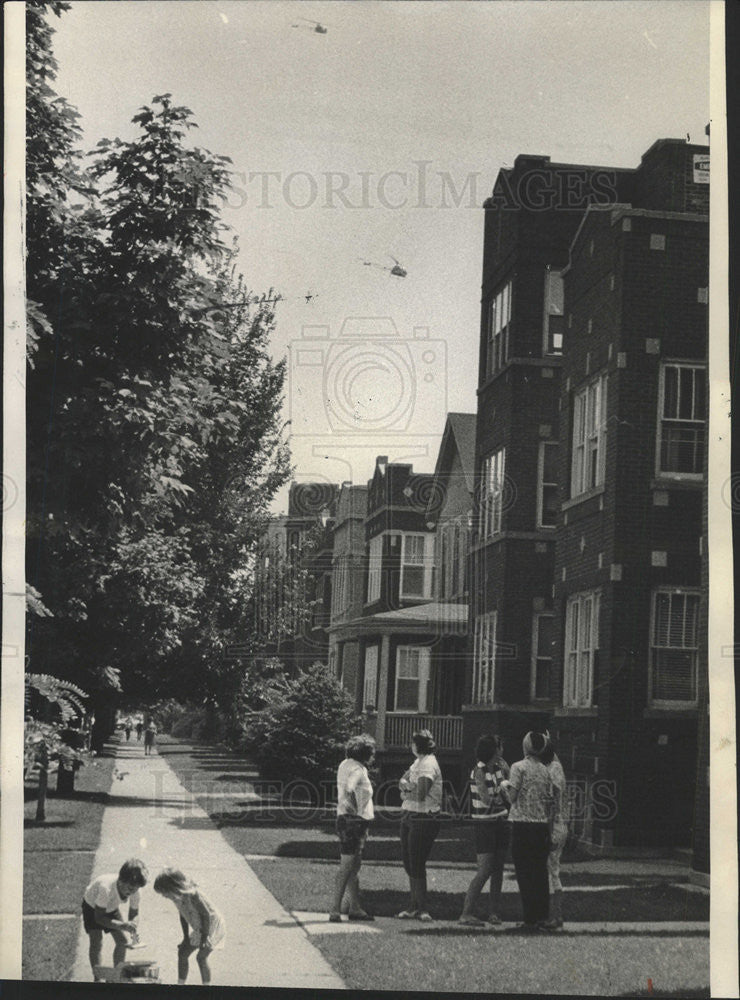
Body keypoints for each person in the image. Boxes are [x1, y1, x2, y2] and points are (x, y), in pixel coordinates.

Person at [501, 731, 554, 932]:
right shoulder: (546, 770)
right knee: (540, 874)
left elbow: (512, 797)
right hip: (541, 826)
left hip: (522, 824)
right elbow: (549, 801)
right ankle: (542, 917)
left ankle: (529, 919)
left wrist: (504, 785)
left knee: (524, 873)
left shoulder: (518, 767)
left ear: (526, 746)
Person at [458, 733, 510, 926]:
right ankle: (466, 912)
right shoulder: (478, 771)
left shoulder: (499, 769)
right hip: (485, 823)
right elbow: (487, 799)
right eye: (500, 747)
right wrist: (502, 792)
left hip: (501, 821)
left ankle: (493, 912)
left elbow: (508, 795)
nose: (502, 750)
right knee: (485, 869)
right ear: (494, 750)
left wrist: (504, 790)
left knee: (498, 869)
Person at [329, 734, 376, 923]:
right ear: (365, 754)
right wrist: (354, 809)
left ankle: (355, 907)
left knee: (354, 867)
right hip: (354, 822)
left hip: (344, 819)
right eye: (372, 754)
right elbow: (349, 787)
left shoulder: (344, 764)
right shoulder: (358, 768)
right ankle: (335, 909)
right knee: (347, 866)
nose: (373, 758)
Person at [397, 729, 443, 922]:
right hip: (409, 814)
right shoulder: (418, 762)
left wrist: (407, 791)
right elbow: (402, 780)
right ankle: (413, 905)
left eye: (413, 743)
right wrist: (407, 787)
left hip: (424, 817)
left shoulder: (428, 764)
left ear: (419, 745)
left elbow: (421, 793)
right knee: (409, 862)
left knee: (417, 862)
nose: (411, 746)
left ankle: (422, 908)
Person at [153, 868, 226, 985]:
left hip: (211, 926)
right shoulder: (176, 897)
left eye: (164, 892)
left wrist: (204, 938)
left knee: (201, 957)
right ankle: (181, 984)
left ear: (173, 887)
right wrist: (185, 937)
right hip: (200, 927)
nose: (164, 896)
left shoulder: (193, 895)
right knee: (182, 953)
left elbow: (206, 914)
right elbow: (183, 916)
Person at [82, 858, 149, 979]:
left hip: (111, 907)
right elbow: (99, 918)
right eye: (130, 888)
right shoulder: (105, 888)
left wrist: (133, 923)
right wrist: (122, 925)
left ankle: (118, 974)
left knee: (122, 941)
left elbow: (134, 913)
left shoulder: (135, 891)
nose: (132, 891)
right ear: (121, 880)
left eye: (136, 888)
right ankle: (98, 977)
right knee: (96, 941)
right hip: (92, 907)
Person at [539, 735, 568, 930]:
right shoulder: (557, 768)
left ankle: (553, 916)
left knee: (550, 872)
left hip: (553, 826)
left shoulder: (549, 774)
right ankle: (556, 916)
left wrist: (547, 834)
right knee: (554, 871)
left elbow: (551, 806)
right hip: (561, 825)